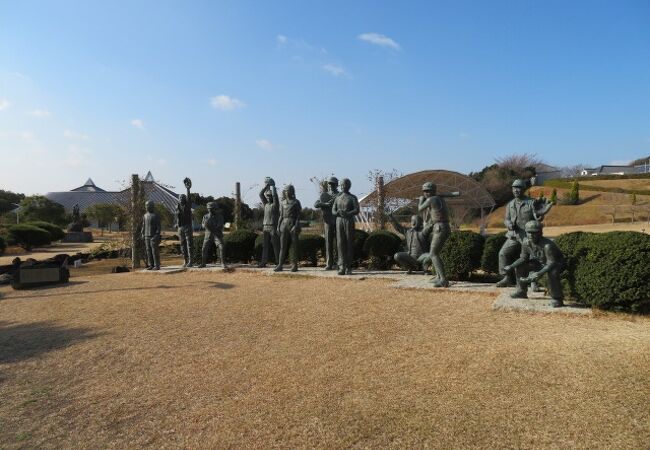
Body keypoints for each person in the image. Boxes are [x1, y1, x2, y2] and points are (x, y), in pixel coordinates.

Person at [496, 179, 553, 287]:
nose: (516, 190)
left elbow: (537, 218)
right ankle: (506, 277)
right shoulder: (510, 204)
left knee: (532, 258)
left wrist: (540, 214)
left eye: (518, 188)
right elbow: (506, 219)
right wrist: (508, 224)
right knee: (503, 254)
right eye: (514, 188)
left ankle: (533, 281)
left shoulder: (531, 202)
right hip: (513, 235)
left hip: (529, 236)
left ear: (523, 189)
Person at [504, 220, 565, 307]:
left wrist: (539, 273)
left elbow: (551, 263)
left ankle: (557, 298)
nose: (531, 235)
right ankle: (521, 291)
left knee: (553, 273)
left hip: (556, 264)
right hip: (540, 262)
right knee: (520, 266)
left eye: (534, 233)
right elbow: (523, 258)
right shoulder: (526, 242)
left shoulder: (547, 245)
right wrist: (511, 266)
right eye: (528, 232)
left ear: (540, 233)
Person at [418, 182, 451, 287]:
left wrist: (420, 200)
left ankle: (443, 280)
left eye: (428, 191)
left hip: (440, 228)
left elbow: (420, 209)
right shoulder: (439, 199)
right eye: (424, 191)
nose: (426, 193)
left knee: (433, 254)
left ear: (433, 191)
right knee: (436, 253)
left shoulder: (431, 199)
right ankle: (438, 276)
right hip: (442, 227)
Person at [332, 178, 359, 275]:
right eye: (342, 184)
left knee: (349, 243)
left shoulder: (352, 197)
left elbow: (356, 210)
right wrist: (337, 212)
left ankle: (348, 266)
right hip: (339, 221)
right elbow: (333, 210)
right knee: (340, 243)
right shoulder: (337, 198)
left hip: (348, 220)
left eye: (345, 184)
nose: (343, 186)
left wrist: (348, 213)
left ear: (349, 186)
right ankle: (341, 266)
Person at [314, 176, 339, 270]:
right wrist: (325, 204)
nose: (331, 185)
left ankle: (338, 262)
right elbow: (316, 204)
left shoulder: (340, 195)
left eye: (333, 184)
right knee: (328, 242)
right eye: (330, 184)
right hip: (328, 220)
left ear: (336, 185)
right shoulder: (325, 195)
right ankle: (329, 263)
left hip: (337, 220)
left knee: (338, 243)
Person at [274, 185, 302, 272]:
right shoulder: (282, 203)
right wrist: (278, 227)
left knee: (294, 246)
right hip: (284, 225)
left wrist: (296, 226)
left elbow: (299, 216)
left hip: (293, 224)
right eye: (286, 191)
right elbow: (281, 216)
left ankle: (294, 265)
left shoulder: (296, 202)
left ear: (292, 191)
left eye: (289, 190)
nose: (287, 192)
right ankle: (280, 264)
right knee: (283, 246)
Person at [258, 177, 280, 267]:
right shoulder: (266, 204)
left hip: (273, 226)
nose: (268, 197)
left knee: (275, 245)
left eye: (269, 196)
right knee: (265, 245)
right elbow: (260, 194)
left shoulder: (275, 204)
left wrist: (273, 187)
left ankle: (279, 262)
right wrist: (266, 185)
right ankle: (263, 262)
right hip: (265, 226)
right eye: (267, 196)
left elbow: (275, 196)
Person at [199, 202, 228, 269]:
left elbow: (219, 226)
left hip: (217, 235)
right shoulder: (205, 216)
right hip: (208, 235)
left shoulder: (220, 216)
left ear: (215, 209)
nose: (210, 210)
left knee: (221, 247)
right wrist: (205, 225)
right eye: (209, 209)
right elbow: (203, 225)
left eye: (212, 209)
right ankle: (203, 263)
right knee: (204, 248)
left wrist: (210, 226)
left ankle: (223, 263)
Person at [176, 177, 194, 267]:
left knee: (189, 244)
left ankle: (191, 261)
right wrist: (177, 224)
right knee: (182, 245)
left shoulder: (187, 205)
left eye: (183, 197)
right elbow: (177, 216)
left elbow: (189, 198)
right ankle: (185, 260)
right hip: (181, 227)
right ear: (178, 199)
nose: (181, 198)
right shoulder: (177, 206)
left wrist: (188, 189)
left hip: (187, 226)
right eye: (180, 197)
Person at [142, 200, 161, 270]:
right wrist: (142, 233)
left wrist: (156, 235)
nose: (146, 207)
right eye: (146, 205)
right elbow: (143, 225)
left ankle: (157, 265)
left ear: (152, 206)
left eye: (148, 205)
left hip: (153, 236)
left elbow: (159, 227)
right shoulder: (145, 215)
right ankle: (151, 265)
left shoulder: (156, 215)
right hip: (146, 235)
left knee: (154, 251)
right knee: (148, 251)